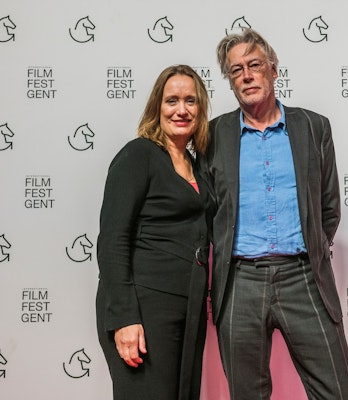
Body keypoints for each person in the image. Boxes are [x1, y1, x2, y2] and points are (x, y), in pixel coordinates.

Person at [201, 29, 348, 399]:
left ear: (273, 70)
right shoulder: (214, 135)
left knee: (337, 392)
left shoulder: (313, 127)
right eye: (236, 70)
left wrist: (311, 249)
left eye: (254, 65)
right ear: (230, 81)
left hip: (304, 277)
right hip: (239, 282)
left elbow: (329, 206)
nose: (246, 76)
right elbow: (208, 212)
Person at [95, 64, 212, 400]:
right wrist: (124, 318)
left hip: (188, 307)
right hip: (144, 308)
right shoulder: (139, 154)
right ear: (156, 107)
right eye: (172, 100)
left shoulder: (198, 166)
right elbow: (113, 240)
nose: (181, 110)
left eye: (190, 101)